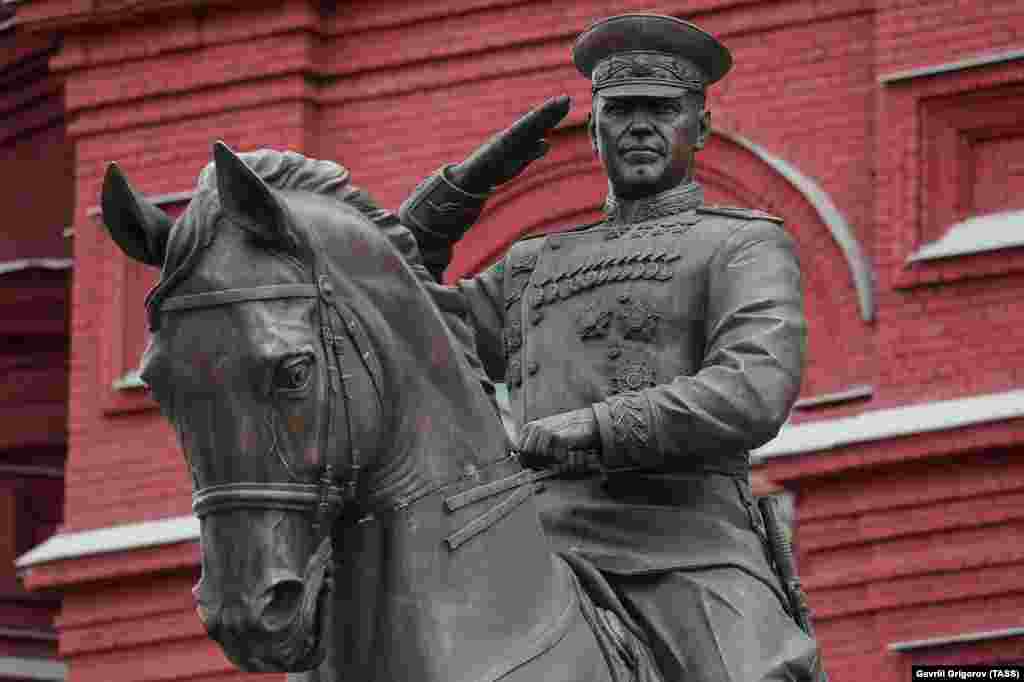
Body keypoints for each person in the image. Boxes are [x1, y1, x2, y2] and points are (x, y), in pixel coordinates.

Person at [396, 13, 823, 681]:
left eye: (663, 109)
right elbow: (405, 321)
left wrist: (596, 427)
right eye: (620, 111)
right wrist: (455, 197)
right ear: (594, 131)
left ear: (700, 128)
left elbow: (753, 388)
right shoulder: (533, 265)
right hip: (534, 541)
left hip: (684, 543)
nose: (640, 125)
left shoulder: (741, 244)